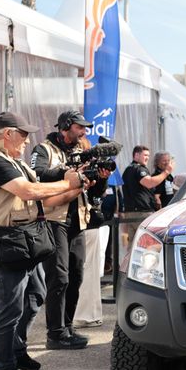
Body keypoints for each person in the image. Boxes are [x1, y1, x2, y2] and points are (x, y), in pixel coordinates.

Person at [0, 112, 84, 370]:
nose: (26, 140)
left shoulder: (15, 162)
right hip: (7, 244)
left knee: (35, 296)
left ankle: (17, 351)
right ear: (7, 134)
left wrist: (77, 188)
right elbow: (29, 191)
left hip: (25, 242)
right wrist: (67, 182)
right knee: (8, 309)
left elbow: (46, 198)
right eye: (23, 134)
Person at [31, 110, 109, 350]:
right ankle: (55, 334)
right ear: (65, 126)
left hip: (79, 222)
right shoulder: (43, 149)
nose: (84, 132)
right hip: (54, 220)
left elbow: (94, 193)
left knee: (76, 276)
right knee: (59, 277)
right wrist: (67, 173)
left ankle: (67, 327)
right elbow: (36, 175)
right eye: (79, 127)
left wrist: (101, 178)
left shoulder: (81, 151)